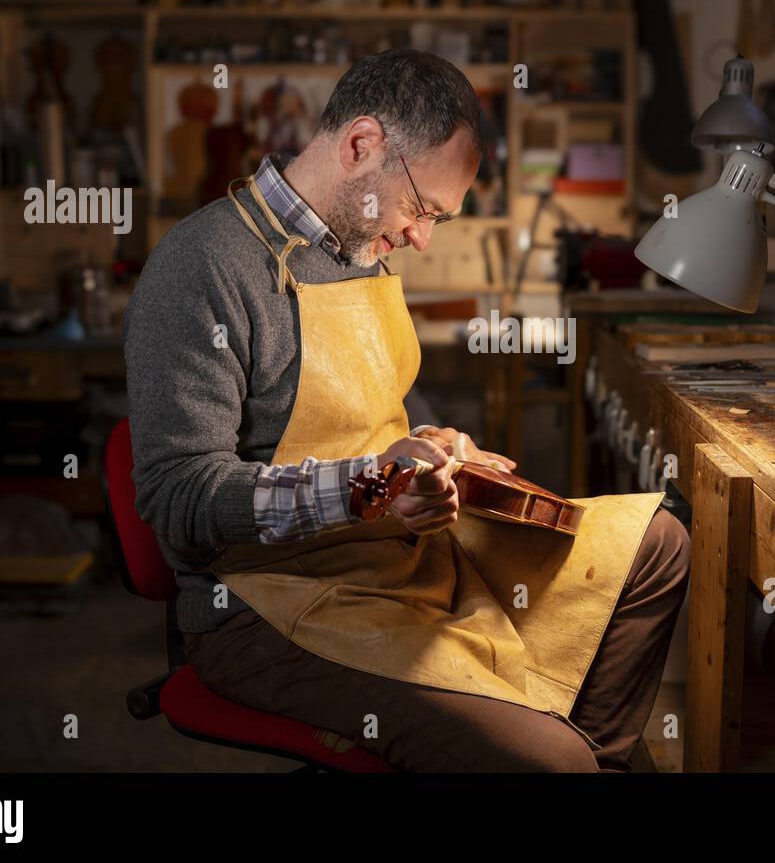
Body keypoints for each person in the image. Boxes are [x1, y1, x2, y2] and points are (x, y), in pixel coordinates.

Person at [124, 49, 690, 772]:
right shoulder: (204, 263)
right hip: (268, 601)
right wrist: (369, 485)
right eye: (422, 208)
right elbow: (179, 501)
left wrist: (433, 447)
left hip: (399, 558)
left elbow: (381, 421)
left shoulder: (361, 248)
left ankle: (566, 755)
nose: (422, 236)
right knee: (554, 763)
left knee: (659, 539)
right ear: (362, 146)